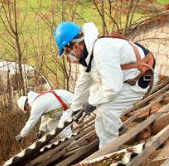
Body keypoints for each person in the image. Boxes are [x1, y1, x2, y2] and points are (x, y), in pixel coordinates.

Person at [54, 21, 157, 149]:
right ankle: (118, 128)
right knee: (95, 93)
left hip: (142, 78)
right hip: (128, 76)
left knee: (105, 110)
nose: (70, 57)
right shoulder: (89, 56)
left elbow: (112, 88)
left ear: (75, 46)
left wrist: (91, 102)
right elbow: (82, 85)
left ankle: (107, 150)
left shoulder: (102, 51)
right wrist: (74, 109)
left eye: (68, 52)